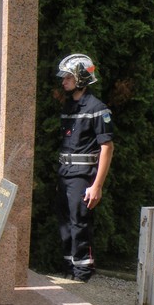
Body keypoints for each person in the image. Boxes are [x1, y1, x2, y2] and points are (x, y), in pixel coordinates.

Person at [55, 53, 114, 282]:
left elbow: (107, 147)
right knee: (65, 225)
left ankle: (82, 274)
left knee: (79, 225)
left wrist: (97, 186)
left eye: (68, 77)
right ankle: (69, 270)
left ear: (81, 78)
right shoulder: (69, 107)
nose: (64, 81)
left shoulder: (97, 108)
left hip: (82, 177)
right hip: (64, 174)